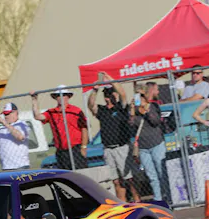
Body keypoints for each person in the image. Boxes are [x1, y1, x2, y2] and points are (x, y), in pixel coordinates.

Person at [87, 73, 141, 202]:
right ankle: (122, 202)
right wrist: (95, 90)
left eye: (110, 93)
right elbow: (91, 105)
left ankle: (137, 199)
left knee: (129, 178)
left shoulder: (120, 107)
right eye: (106, 94)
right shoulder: (102, 110)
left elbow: (123, 93)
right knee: (116, 180)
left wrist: (111, 80)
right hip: (108, 149)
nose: (108, 96)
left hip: (121, 147)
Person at [30, 85, 88, 170]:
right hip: (61, 151)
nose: (61, 97)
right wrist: (34, 100)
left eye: (63, 95)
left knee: (80, 172)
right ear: (55, 98)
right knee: (66, 174)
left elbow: (84, 129)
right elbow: (37, 116)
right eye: (58, 95)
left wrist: (84, 147)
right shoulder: (52, 112)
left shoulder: (76, 111)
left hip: (75, 149)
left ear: (68, 97)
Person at [130, 83, 167, 202]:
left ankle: (167, 195)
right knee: (151, 175)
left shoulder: (153, 106)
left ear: (146, 95)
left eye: (141, 95)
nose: (139, 98)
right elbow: (131, 125)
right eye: (137, 95)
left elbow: (155, 121)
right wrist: (132, 110)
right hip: (143, 147)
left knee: (161, 171)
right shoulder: (134, 110)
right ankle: (158, 198)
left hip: (156, 144)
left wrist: (146, 110)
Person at [0, 102, 30, 171]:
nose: (6, 116)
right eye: (4, 114)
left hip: (21, 166)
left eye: (7, 114)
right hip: (6, 167)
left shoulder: (21, 124)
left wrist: (5, 123)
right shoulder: (1, 128)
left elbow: (20, 137)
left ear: (15, 112)